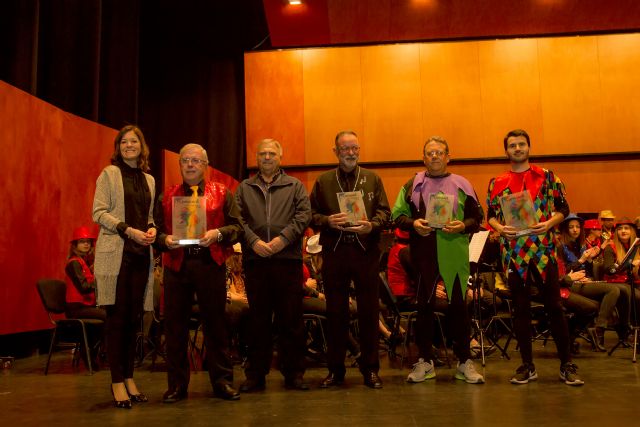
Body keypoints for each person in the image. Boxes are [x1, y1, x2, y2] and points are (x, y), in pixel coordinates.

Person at [487, 129, 583, 386]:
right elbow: (491, 215)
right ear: (506, 151)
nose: (517, 149)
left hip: (543, 251)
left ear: (529, 147)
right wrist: (500, 228)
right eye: (512, 145)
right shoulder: (497, 182)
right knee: (519, 310)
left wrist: (550, 223)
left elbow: (564, 208)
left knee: (554, 307)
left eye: (521, 144)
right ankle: (526, 365)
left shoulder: (548, 176)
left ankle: (566, 365)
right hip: (514, 253)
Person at [392, 135, 485, 384]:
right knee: (424, 308)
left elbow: (478, 219)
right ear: (423, 158)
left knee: (459, 309)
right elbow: (397, 217)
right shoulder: (413, 184)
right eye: (429, 153)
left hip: (455, 255)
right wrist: (414, 224)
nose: (434, 156)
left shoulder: (463, 184)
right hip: (423, 256)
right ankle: (424, 362)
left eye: (439, 152)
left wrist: (461, 225)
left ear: (448, 156)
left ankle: (464, 362)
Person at [156, 143, 243, 403]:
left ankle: (222, 382)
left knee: (216, 326)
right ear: (180, 164)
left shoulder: (223, 192)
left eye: (196, 160)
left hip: (209, 263)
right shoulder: (166, 196)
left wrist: (218, 234)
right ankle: (177, 385)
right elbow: (156, 232)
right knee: (175, 329)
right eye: (185, 160)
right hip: (176, 265)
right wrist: (165, 239)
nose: (190, 165)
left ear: (205, 165)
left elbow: (237, 227)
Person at [309, 130, 391, 389]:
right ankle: (336, 370)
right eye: (345, 148)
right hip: (334, 253)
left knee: (369, 313)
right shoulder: (323, 181)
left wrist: (372, 225)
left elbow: (385, 212)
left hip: (366, 252)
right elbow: (309, 214)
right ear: (335, 151)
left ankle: (371, 370)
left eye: (355, 148)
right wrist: (326, 221)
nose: (351, 153)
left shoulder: (372, 178)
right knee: (336, 314)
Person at [234, 138, 311, 392]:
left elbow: (303, 216)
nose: (266, 157)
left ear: (280, 157)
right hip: (256, 261)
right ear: (256, 158)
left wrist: (282, 240)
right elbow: (238, 219)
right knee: (258, 321)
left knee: (291, 320)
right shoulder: (244, 187)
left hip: (287, 261)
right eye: (262, 153)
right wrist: (253, 241)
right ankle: (256, 374)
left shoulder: (295, 185)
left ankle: (294, 374)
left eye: (271, 153)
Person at [92, 125, 156, 408]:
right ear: (118, 147)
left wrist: (152, 229)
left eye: (134, 141)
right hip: (116, 256)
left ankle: (130, 377)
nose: (129, 145)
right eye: (124, 142)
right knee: (117, 321)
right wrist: (126, 229)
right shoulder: (109, 174)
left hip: (142, 256)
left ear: (142, 147)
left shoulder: (150, 180)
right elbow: (98, 212)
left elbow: (149, 216)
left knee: (133, 321)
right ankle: (117, 381)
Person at [557, 214, 626, 351]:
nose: (575, 230)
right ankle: (599, 330)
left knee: (606, 299)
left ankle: (575, 336)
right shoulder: (560, 246)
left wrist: (589, 260)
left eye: (577, 227)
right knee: (613, 290)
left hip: (584, 281)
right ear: (565, 229)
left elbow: (586, 269)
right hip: (569, 285)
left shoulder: (579, 245)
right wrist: (582, 260)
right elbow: (563, 272)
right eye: (571, 227)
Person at [64, 225, 107, 369]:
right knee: (108, 316)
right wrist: (100, 282)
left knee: (110, 314)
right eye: (82, 241)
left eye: (88, 241)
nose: (86, 244)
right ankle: (95, 353)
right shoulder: (74, 263)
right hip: (76, 309)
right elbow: (83, 287)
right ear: (75, 245)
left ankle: (94, 353)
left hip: (84, 306)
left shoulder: (84, 263)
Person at [603, 217, 640, 332]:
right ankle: (629, 328)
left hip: (634, 282)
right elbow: (609, 269)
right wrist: (628, 266)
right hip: (618, 283)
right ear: (616, 232)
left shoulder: (637, 247)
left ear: (632, 231)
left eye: (626, 228)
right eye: (620, 229)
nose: (623, 231)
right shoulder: (610, 247)